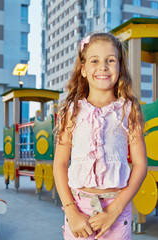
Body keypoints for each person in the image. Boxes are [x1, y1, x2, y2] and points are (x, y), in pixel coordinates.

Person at [53, 33, 147, 240]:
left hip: (116, 208)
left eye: (110, 60)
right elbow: (59, 163)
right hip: (78, 209)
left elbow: (140, 165)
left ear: (120, 68)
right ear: (83, 69)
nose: (103, 66)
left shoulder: (129, 110)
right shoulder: (71, 111)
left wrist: (114, 211)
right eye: (94, 60)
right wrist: (70, 211)